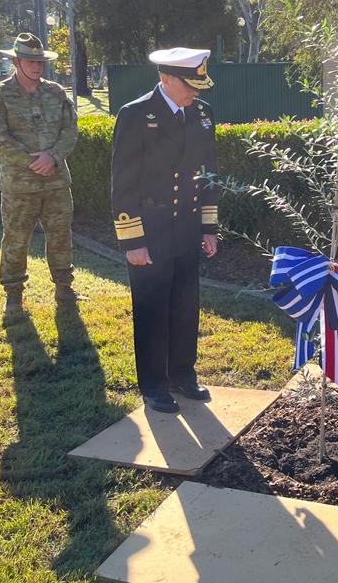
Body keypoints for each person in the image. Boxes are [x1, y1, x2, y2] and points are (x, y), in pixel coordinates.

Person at [110, 47, 219, 414]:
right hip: (151, 229)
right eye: (190, 85)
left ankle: (183, 375)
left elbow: (208, 175)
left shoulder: (202, 114)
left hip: (187, 226)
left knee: (186, 305)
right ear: (166, 79)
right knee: (152, 307)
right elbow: (122, 183)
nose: (196, 92)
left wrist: (209, 226)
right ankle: (154, 384)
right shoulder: (137, 114)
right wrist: (133, 240)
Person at [0, 33, 80, 317]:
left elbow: (70, 130)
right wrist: (32, 161)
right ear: (15, 61)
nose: (37, 66)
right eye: (30, 61)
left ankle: (64, 288)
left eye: (40, 61)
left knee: (61, 236)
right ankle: (13, 296)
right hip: (19, 185)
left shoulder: (56, 92)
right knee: (16, 239)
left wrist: (53, 157)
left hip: (56, 181)